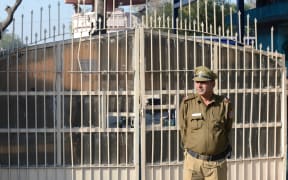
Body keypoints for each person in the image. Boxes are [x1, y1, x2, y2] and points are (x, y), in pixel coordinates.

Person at [179, 66, 233, 180]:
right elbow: (183, 129)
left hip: (216, 165)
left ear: (213, 84)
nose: (199, 85)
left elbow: (227, 128)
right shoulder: (187, 103)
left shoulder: (224, 104)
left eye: (203, 82)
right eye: (197, 82)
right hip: (193, 163)